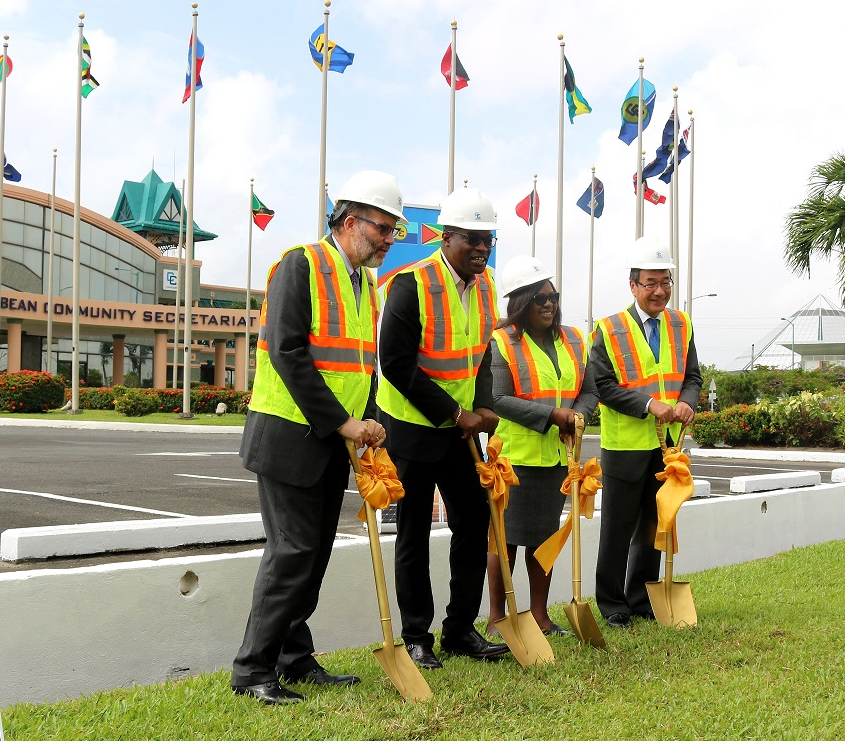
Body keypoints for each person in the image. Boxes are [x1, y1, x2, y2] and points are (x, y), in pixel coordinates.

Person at [231, 170, 404, 705]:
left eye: (394, 231)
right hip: (290, 437)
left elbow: (357, 364)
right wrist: (342, 422)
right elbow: (287, 352)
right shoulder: (300, 264)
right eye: (383, 228)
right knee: (292, 552)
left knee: (314, 553)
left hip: (333, 441)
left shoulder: (364, 283)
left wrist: (369, 418)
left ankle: (293, 657)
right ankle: (252, 670)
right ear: (350, 221)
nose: (389, 240)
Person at [377, 185, 510, 670]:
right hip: (411, 430)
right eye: (471, 238)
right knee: (411, 535)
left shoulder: (488, 285)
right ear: (445, 237)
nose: (481, 248)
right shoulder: (409, 284)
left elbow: (478, 358)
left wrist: (480, 406)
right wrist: (457, 414)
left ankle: (459, 630)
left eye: (487, 239)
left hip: (459, 433)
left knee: (473, 522)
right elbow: (394, 364)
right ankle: (417, 637)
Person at [589, 237, 702, 628]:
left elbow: (692, 376)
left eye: (665, 282)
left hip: (667, 446)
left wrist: (688, 400)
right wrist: (648, 404)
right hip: (624, 446)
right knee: (617, 529)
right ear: (633, 286)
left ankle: (641, 598)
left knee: (656, 524)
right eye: (651, 283)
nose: (660, 291)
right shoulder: (609, 328)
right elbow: (601, 385)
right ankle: (612, 603)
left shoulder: (681, 323)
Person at [485, 255, 598, 637]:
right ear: (519, 303)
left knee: (544, 539)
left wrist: (577, 416)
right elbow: (497, 398)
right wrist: (554, 416)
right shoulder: (502, 341)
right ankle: (499, 618)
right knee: (506, 541)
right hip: (514, 458)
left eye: (552, 296)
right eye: (539, 298)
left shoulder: (574, 340)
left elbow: (588, 389)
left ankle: (538, 616)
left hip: (556, 458)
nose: (549, 304)